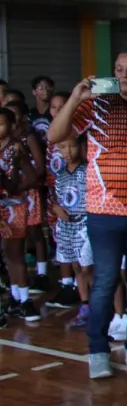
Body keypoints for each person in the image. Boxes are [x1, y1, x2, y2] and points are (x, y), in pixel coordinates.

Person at [48, 53, 127, 379]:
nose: (124, 75)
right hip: (103, 214)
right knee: (105, 282)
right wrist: (76, 98)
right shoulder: (96, 106)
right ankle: (98, 351)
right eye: (119, 70)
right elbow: (54, 135)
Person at [49, 134, 92, 328]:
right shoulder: (60, 174)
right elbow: (56, 198)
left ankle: (100, 306)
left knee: (88, 267)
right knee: (76, 267)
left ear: (81, 146)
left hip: (86, 224)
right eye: (63, 148)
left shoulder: (89, 169)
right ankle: (85, 306)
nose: (68, 152)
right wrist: (56, 208)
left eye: (71, 147)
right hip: (68, 226)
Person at [0, 108, 37, 322]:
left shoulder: (16, 148)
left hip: (13, 206)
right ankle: (14, 297)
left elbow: (32, 177)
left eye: (3, 123)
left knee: (15, 254)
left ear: (12, 125)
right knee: (6, 254)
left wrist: (13, 189)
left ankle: (26, 301)